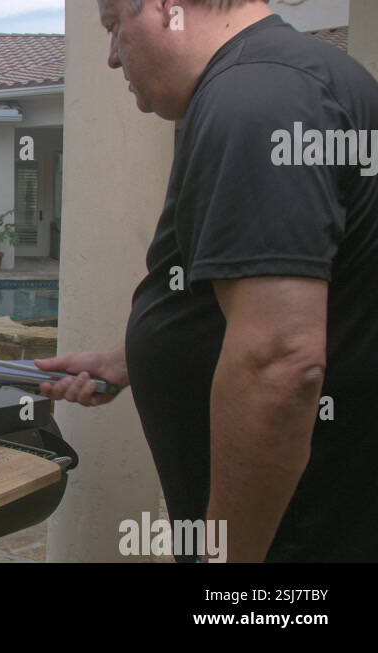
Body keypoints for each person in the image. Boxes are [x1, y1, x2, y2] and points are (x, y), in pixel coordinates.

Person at [36, 0, 378, 562]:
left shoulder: (257, 100)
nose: (112, 58)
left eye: (114, 26)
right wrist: (133, 358)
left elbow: (281, 362)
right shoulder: (282, 79)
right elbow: (303, 301)